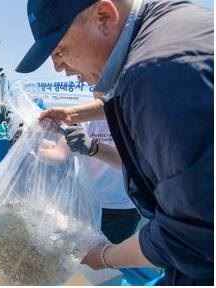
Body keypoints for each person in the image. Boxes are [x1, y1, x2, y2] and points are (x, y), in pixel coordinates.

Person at [16, 0, 213, 285]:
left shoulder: (156, 76)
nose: (58, 67)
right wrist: (73, 113)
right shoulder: (164, 25)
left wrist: (104, 256)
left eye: (60, 50)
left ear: (104, 17)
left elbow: (191, 238)